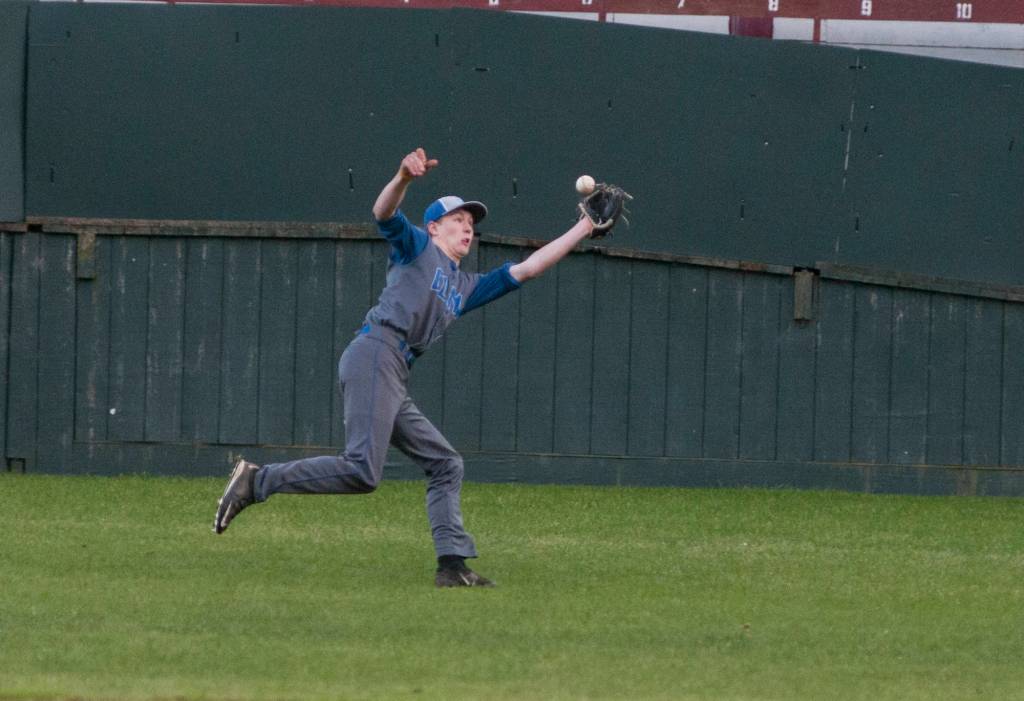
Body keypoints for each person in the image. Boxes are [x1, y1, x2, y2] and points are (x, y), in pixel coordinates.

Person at [213, 147, 595, 587]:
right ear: (433, 227)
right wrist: (402, 178)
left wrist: (584, 227)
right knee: (361, 470)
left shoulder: (465, 285)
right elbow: (383, 213)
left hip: (393, 369)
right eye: (458, 221)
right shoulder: (417, 248)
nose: (467, 228)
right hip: (375, 352)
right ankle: (258, 481)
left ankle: (452, 567)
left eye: (471, 224)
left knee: (446, 464)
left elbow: (528, 269)